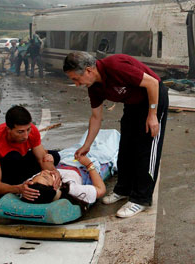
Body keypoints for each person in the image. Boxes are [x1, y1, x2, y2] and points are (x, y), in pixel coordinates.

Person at [63, 52, 168, 218]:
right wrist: (87, 145)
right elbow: (96, 117)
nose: (77, 84)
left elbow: (153, 83)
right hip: (132, 104)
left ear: (89, 70)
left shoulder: (115, 66)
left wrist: (152, 115)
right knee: (126, 146)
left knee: (146, 148)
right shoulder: (94, 87)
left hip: (153, 98)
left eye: (76, 79)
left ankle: (141, 198)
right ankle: (123, 189)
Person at [0, 105, 61, 209]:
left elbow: (42, 158)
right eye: (20, 132)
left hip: (17, 160)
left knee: (54, 156)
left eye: (28, 130)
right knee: (14, 159)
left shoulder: (32, 131)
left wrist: (54, 174)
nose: (26, 136)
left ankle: (20, 184)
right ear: (8, 129)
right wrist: (19, 189)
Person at [23, 155, 106, 205]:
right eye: (45, 176)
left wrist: (48, 163)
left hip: (66, 158)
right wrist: (89, 164)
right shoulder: (72, 188)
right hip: (83, 163)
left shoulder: (38, 183)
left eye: (38, 174)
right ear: (55, 187)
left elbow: (27, 185)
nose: (43, 172)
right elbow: (101, 190)